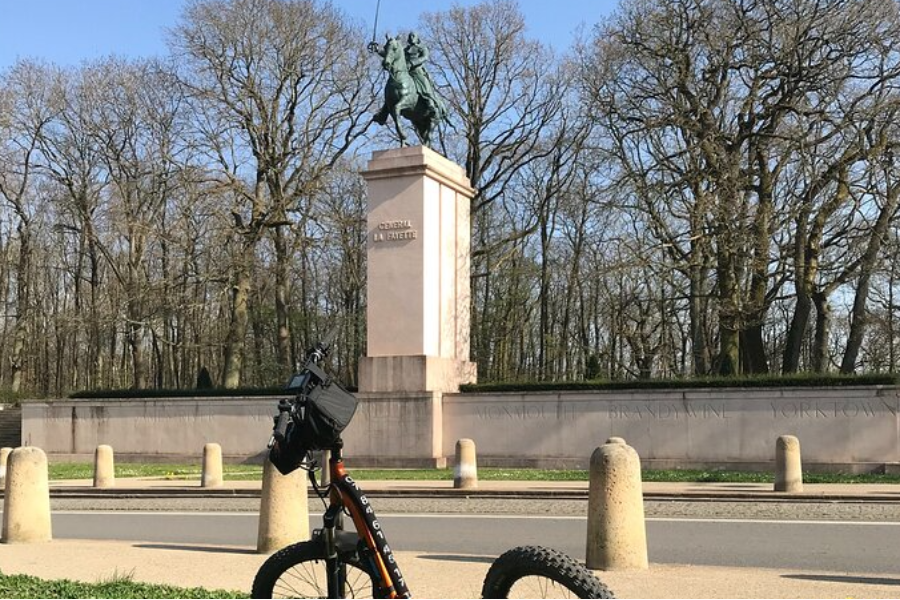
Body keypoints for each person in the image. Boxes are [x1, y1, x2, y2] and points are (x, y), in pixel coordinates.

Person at [404, 32, 445, 119]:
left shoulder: (422, 48)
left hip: (417, 71)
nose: (411, 37)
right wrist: (378, 50)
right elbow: (394, 56)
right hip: (406, 72)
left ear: (417, 38)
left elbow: (424, 57)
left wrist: (412, 63)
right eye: (410, 36)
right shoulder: (405, 50)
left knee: (424, 84)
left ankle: (430, 104)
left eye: (413, 36)